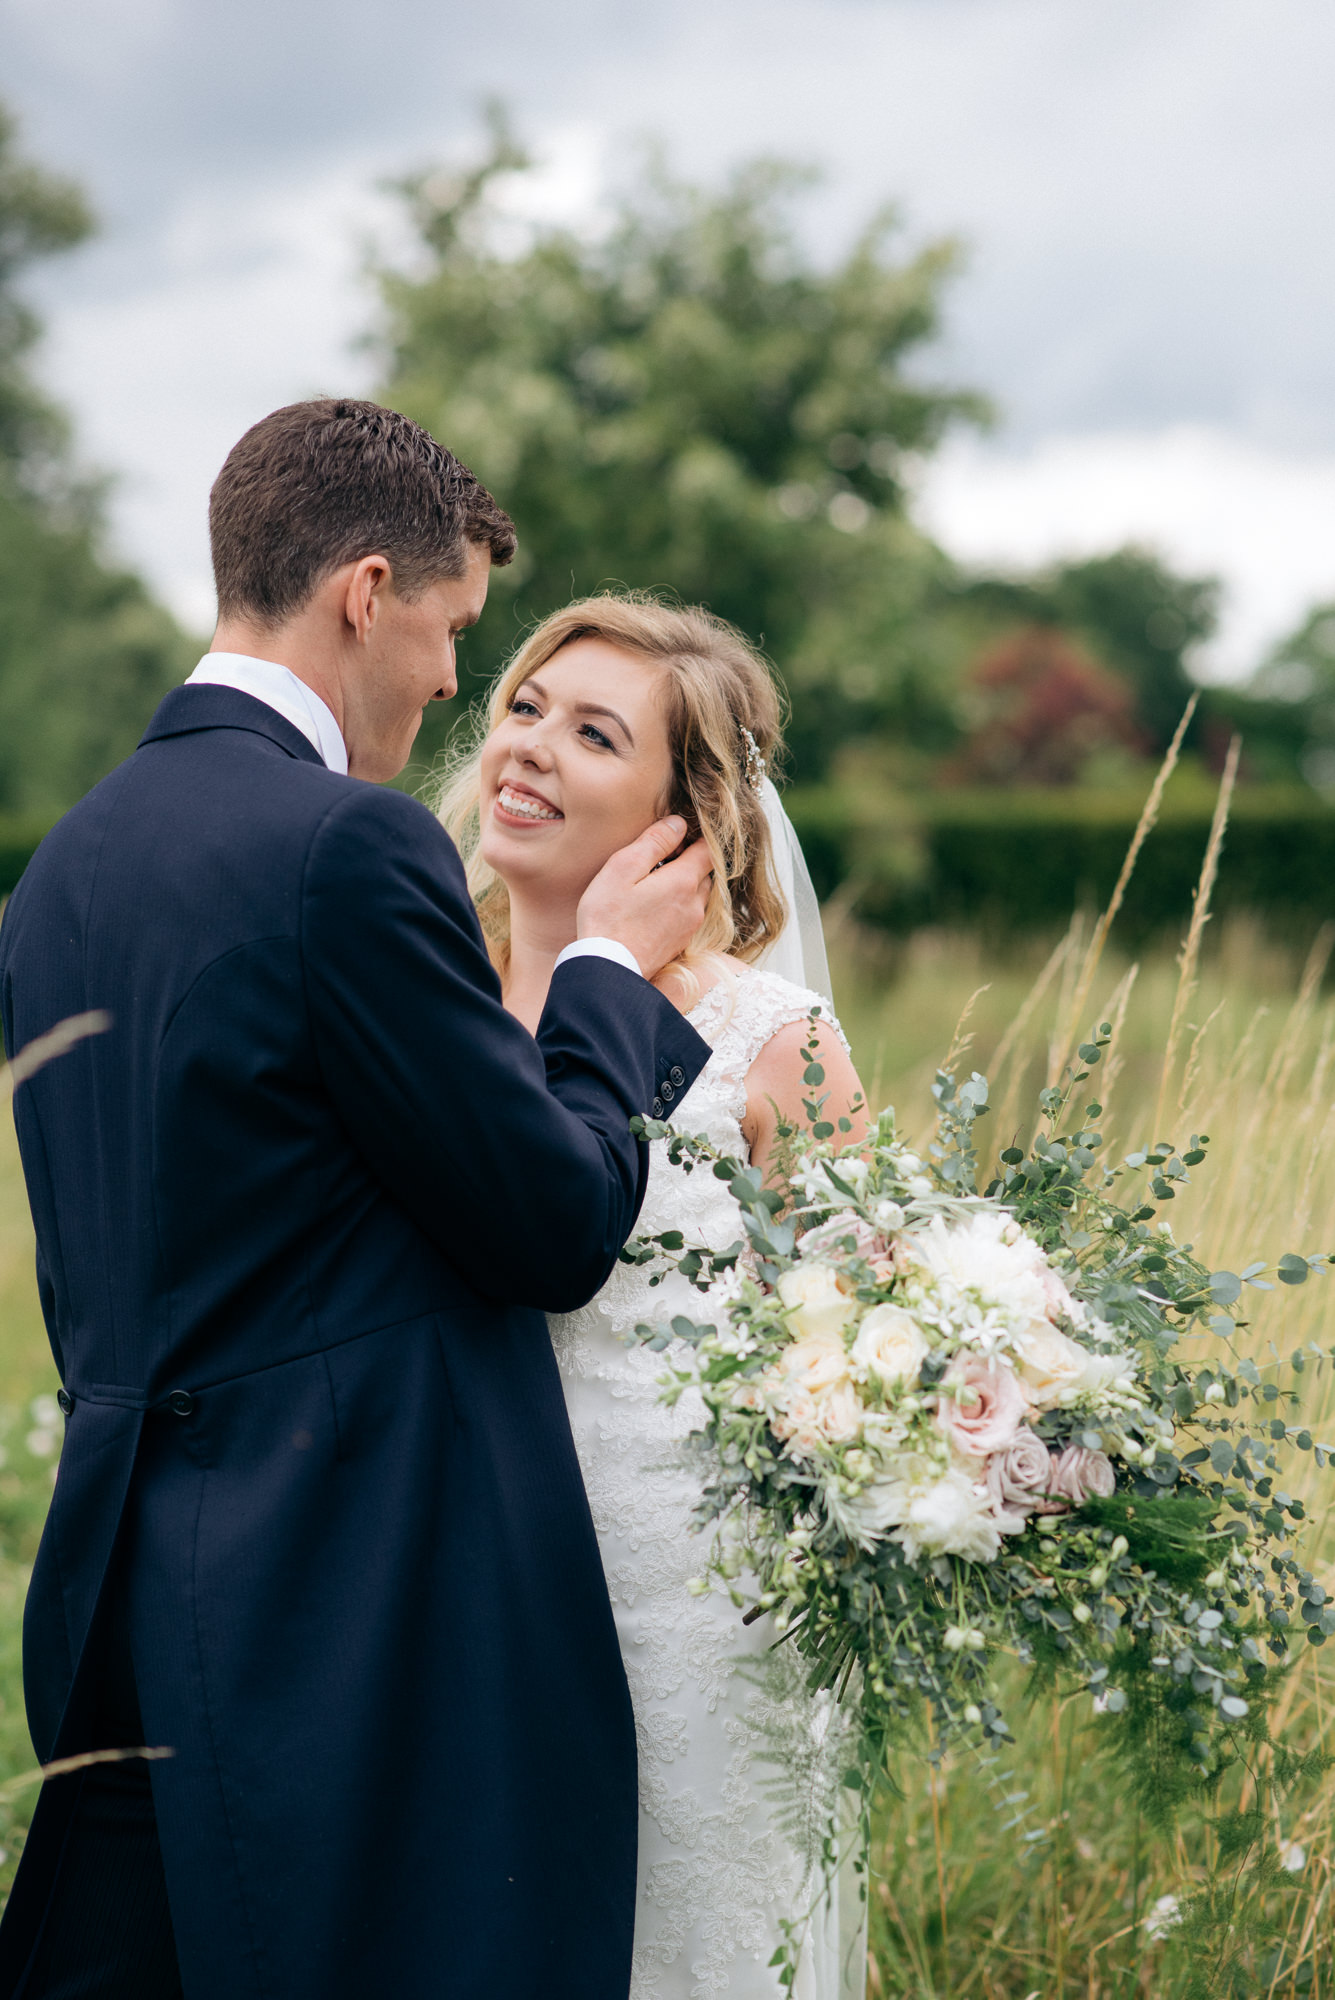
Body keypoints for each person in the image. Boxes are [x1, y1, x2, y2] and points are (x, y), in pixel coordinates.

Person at [0, 400, 716, 2000]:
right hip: (346, 1602)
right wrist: (599, 979)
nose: (458, 682)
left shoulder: (64, 866)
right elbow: (550, 1225)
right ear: (365, 593)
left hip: (125, 1580)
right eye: (456, 630)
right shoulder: (345, 848)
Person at [436, 593, 871, 1999]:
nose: (531, 748)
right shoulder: (419, 999)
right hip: (444, 1575)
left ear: (679, 817)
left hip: (687, 1605)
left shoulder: (773, 1043)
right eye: (522, 709)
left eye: (593, 733)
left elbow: (857, 1327)